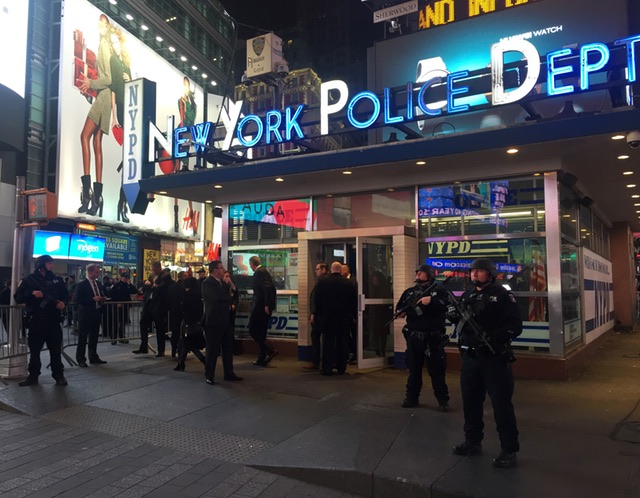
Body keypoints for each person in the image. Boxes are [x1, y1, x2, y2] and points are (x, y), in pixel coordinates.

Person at [446, 258, 523, 469]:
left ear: (490, 274)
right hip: (470, 358)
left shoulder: (503, 295)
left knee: (501, 405)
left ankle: (509, 449)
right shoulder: (469, 294)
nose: (475, 275)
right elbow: (461, 321)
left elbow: (515, 326)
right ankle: (472, 441)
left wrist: (493, 337)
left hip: (494, 358)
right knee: (470, 402)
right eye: (473, 271)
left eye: (480, 271)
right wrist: (452, 315)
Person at [396, 264, 450, 411]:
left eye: (422, 273)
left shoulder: (439, 291)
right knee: (414, 369)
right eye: (417, 272)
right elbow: (400, 309)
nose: (418, 275)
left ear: (430, 275)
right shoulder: (409, 292)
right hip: (414, 337)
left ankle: (442, 400)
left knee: (437, 371)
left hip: (433, 338)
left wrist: (431, 301)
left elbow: (447, 306)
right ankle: (411, 398)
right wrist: (402, 312)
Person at [77, 13, 112, 218]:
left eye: (104, 22)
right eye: (99, 21)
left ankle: (88, 193)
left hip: (103, 97)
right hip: (104, 98)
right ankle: (96, 198)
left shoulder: (104, 46)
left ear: (108, 27)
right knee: (96, 142)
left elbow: (107, 78)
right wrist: (90, 86)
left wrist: (91, 84)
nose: (101, 25)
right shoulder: (104, 44)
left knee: (85, 136)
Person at [14, 255, 69, 386]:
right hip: (37, 320)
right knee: (35, 351)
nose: (52, 266)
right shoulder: (29, 280)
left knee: (55, 351)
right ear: (42, 264)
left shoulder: (57, 280)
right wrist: (32, 294)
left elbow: (66, 295)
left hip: (53, 320)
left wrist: (63, 303)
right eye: (49, 263)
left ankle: (59, 375)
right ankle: (33, 376)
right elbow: (18, 297)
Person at [313, 261, 358, 376]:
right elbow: (353, 301)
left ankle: (327, 368)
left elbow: (317, 300)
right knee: (342, 342)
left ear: (331, 270)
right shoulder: (348, 283)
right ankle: (341, 367)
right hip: (343, 318)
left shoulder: (322, 282)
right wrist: (353, 315)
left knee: (328, 342)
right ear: (340, 270)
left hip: (327, 318)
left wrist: (317, 314)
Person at [201, 260, 242, 384]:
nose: (223, 269)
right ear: (214, 270)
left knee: (228, 348)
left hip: (226, 320)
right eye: (220, 267)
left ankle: (229, 372)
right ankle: (209, 374)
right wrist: (228, 296)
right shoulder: (208, 283)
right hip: (214, 321)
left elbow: (235, 294)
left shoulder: (223, 283)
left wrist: (231, 285)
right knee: (213, 350)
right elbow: (217, 298)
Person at [108, 26, 132, 223]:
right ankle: (120, 204)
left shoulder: (126, 62)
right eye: (112, 42)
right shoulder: (114, 61)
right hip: (122, 108)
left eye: (117, 42)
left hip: (130, 109)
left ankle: (122, 204)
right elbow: (114, 89)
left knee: (130, 160)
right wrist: (114, 114)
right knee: (128, 158)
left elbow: (131, 87)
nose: (115, 45)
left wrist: (130, 80)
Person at [75, 263, 108, 367]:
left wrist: (102, 298)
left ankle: (93, 356)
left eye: (98, 272)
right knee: (83, 337)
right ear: (90, 272)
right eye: (96, 272)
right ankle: (81, 358)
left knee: (94, 336)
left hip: (96, 312)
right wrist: (92, 299)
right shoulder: (82, 284)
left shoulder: (98, 284)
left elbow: (102, 293)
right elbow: (77, 299)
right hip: (85, 313)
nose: (98, 274)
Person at [248, 256, 278, 367]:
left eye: (250, 264)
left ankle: (270, 350)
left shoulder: (260, 272)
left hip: (260, 307)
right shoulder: (263, 272)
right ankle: (262, 357)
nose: (250, 267)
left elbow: (267, 288)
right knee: (261, 332)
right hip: (262, 306)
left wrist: (267, 304)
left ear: (252, 264)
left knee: (253, 330)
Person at [174, 276, 206, 372]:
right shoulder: (198, 295)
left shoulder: (187, 295)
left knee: (187, 342)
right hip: (196, 322)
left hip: (188, 321)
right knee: (186, 342)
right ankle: (181, 363)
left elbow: (183, 308)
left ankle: (203, 360)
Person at [304, 262, 328, 371]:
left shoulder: (322, 282)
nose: (315, 271)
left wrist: (313, 313)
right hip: (322, 315)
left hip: (320, 316)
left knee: (316, 336)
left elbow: (317, 300)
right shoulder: (321, 282)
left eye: (317, 269)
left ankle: (316, 361)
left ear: (323, 270)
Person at [108, 272, 137, 344]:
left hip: (125, 306)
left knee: (123, 323)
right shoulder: (117, 285)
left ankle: (122, 337)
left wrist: (130, 284)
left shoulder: (128, 285)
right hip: (117, 306)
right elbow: (112, 295)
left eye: (127, 278)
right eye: (125, 277)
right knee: (115, 323)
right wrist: (116, 303)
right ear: (121, 277)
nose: (126, 279)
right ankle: (113, 338)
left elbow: (134, 291)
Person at [341, 264, 358, 364]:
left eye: (342, 270)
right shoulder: (342, 281)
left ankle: (355, 354)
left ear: (346, 270)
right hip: (345, 314)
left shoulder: (354, 280)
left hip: (353, 313)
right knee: (346, 334)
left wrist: (355, 314)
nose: (341, 272)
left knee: (354, 334)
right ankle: (348, 353)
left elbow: (354, 297)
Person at [167, 271, 187, 357]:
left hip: (173, 311)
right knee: (180, 332)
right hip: (181, 312)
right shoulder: (183, 287)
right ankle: (180, 350)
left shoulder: (172, 287)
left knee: (174, 331)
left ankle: (173, 349)